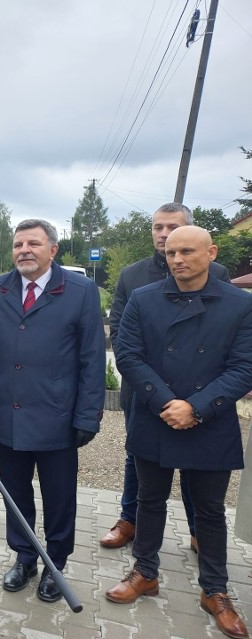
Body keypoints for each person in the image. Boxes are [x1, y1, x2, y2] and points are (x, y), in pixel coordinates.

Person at [105, 226, 252, 639]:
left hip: (211, 421)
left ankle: (216, 590)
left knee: (209, 512)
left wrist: (197, 408)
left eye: (187, 251)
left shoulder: (240, 305)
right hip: (156, 416)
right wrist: (168, 403)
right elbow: (129, 355)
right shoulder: (143, 298)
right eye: (171, 253)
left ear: (211, 253)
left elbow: (244, 366)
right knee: (149, 501)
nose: (177, 260)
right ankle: (145, 573)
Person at [0, 219, 105, 603]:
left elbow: (92, 359)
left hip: (58, 420)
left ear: (53, 250)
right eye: (18, 244)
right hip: (9, 416)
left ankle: (56, 563)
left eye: (33, 243)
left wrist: (87, 415)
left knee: (59, 497)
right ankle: (25, 556)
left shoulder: (80, 291)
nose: (24, 250)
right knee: (15, 494)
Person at [101, 202, 230, 552]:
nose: (164, 234)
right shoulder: (132, 276)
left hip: (196, 395)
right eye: (158, 227)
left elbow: (219, 337)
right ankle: (130, 520)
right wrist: (160, 394)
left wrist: (192, 402)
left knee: (196, 464)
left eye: (172, 227)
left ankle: (197, 530)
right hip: (145, 393)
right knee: (138, 460)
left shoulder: (216, 275)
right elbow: (123, 336)